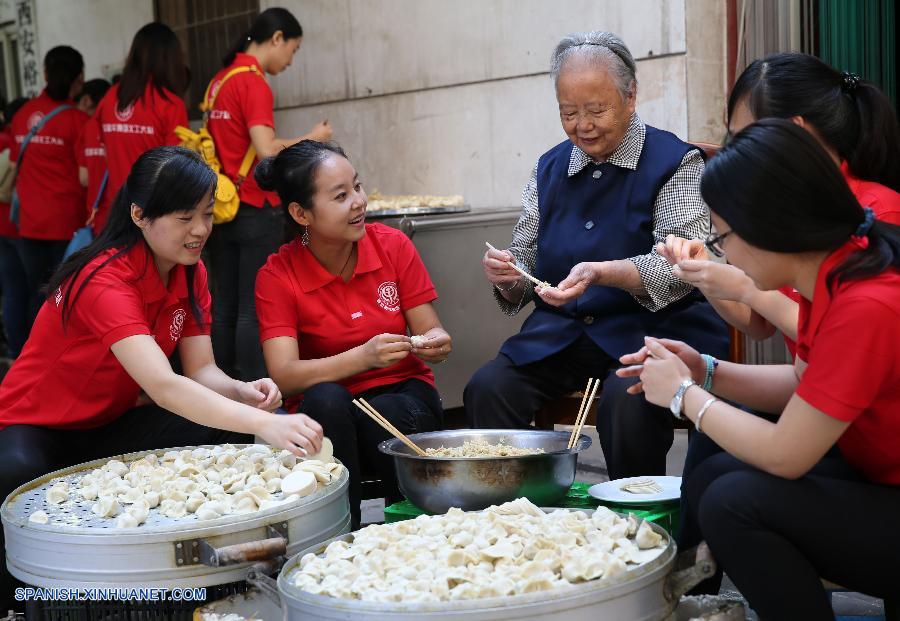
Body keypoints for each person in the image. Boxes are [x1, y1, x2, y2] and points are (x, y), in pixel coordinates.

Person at [0, 146, 323, 611]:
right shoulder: (104, 279)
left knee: (230, 422)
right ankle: (23, 599)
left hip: (106, 425)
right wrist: (266, 425)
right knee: (16, 475)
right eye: (184, 217)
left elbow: (201, 372)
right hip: (36, 427)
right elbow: (164, 386)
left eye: (207, 215)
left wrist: (244, 393)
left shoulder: (190, 273)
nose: (200, 230)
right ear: (139, 214)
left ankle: (213, 578)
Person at [618, 119, 900, 620]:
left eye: (722, 235)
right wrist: (704, 370)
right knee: (720, 472)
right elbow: (801, 385)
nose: (723, 251)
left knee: (733, 501)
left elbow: (786, 455)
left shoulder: (866, 303)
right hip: (876, 476)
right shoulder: (837, 272)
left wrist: (685, 396)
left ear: (769, 225)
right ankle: (692, 592)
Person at [464, 31, 729, 478]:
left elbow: (679, 267)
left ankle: (639, 521)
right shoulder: (549, 167)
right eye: (569, 112)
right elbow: (525, 256)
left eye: (596, 110)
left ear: (631, 97)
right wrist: (510, 274)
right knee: (487, 388)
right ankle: (515, 516)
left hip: (654, 330)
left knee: (627, 405)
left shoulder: (676, 161)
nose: (582, 125)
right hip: (562, 336)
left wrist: (604, 273)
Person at [254, 140, 449, 528]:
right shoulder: (277, 275)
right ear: (301, 213)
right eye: (341, 196)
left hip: (403, 394)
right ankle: (343, 530)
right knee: (325, 399)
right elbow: (284, 376)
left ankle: (416, 528)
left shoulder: (393, 245)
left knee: (390, 412)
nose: (358, 201)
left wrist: (436, 342)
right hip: (331, 413)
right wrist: (363, 357)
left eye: (357, 187)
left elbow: (432, 330)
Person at [207, 7, 332, 382]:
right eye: (292, 50)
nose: (290, 61)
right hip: (252, 206)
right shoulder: (253, 82)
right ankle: (255, 390)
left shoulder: (219, 80)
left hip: (221, 206)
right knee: (250, 308)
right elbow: (266, 149)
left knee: (223, 305)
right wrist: (315, 138)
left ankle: (222, 387)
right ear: (277, 38)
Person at [9, 46, 89, 326]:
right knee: (65, 298)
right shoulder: (79, 122)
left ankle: (30, 361)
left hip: (29, 225)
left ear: (45, 73)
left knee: (36, 295)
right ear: (79, 78)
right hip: (68, 225)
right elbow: (86, 176)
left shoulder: (22, 116)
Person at [94, 22, 189, 203]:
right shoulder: (170, 104)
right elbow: (176, 170)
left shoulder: (110, 97)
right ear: (171, 59)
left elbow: (106, 152)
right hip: (155, 210)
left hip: (119, 209)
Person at [0, 98, 28, 358]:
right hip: (19, 224)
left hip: (3, 227)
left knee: (11, 290)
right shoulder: (11, 142)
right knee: (29, 290)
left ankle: (15, 350)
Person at [75, 78, 113, 235]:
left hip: (96, 215)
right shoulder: (117, 125)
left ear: (86, 100)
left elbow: (84, 179)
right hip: (125, 214)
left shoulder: (87, 128)